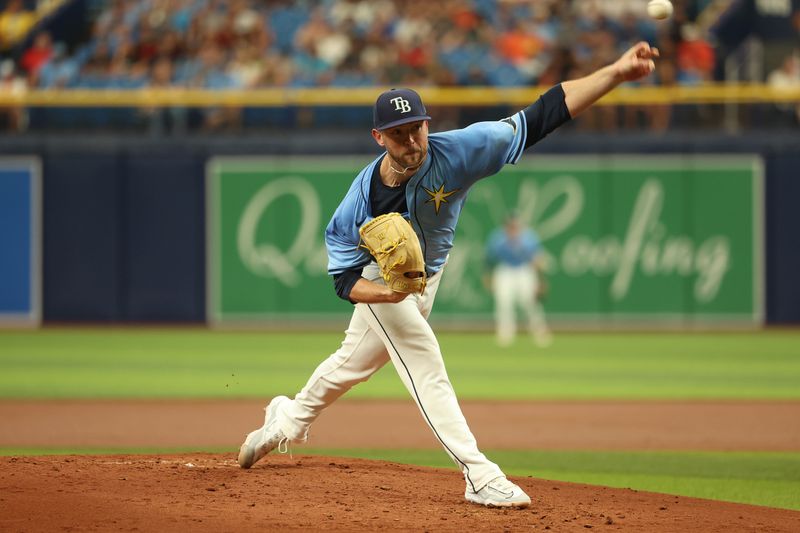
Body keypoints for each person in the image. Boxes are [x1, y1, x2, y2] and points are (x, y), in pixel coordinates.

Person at [238, 41, 660, 508]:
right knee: (425, 364)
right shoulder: (359, 201)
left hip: (426, 280)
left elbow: (543, 114)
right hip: (384, 284)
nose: (412, 142)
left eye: (417, 128)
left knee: (352, 363)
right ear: (379, 137)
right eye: (399, 134)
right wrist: (389, 294)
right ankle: (479, 474)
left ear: (427, 123)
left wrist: (615, 74)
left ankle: (288, 417)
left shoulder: (459, 151)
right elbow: (343, 282)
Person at [485, 213, 552, 348]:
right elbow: (489, 260)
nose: (513, 229)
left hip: (524, 269)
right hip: (505, 270)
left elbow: (537, 260)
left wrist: (541, 280)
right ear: (506, 227)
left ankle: (539, 331)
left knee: (530, 302)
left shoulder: (529, 238)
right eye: (510, 226)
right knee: (503, 302)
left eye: (515, 226)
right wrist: (488, 277)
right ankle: (505, 334)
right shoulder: (498, 239)